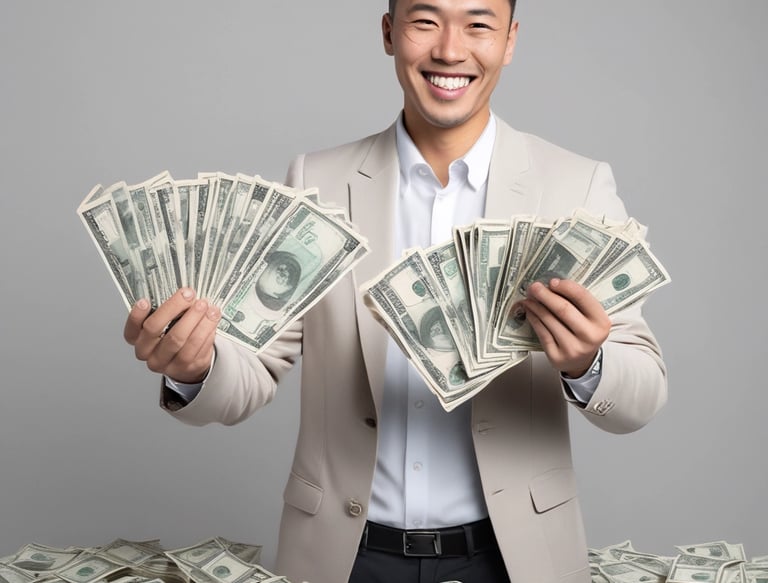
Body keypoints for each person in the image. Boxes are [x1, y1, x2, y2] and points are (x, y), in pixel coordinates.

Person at [124, 0, 667, 582]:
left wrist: (588, 362)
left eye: (478, 24)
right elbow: (253, 369)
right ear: (389, 33)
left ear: (509, 41)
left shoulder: (574, 185)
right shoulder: (318, 181)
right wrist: (196, 366)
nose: (450, 50)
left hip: (514, 557)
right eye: (425, 20)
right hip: (345, 554)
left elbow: (642, 393)